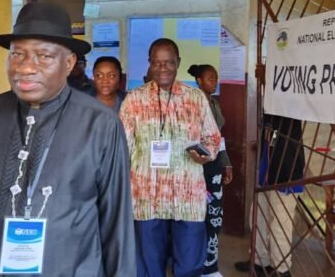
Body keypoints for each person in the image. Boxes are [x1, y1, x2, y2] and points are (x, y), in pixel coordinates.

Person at [0, 2, 135, 276]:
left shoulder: (100, 125)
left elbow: (116, 226)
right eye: (18, 54)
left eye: (43, 56)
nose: (25, 67)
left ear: (69, 63)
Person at [120, 38, 221, 277]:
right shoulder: (133, 100)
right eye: (157, 63)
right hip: (146, 198)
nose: (163, 68)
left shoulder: (196, 99)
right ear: (149, 64)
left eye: (168, 63)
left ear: (178, 63)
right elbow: (122, 148)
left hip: (187, 198)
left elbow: (213, 138)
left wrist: (205, 155)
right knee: (147, 267)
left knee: (189, 266)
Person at [235, 114, 305, 277]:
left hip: (286, 174)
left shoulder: (289, 107)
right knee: (258, 216)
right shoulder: (269, 110)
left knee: (280, 223)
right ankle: (260, 262)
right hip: (267, 173)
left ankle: (282, 269)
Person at [187, 64, 232, 277]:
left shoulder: (214, 103)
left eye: (216, 78)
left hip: (214, 166)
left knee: (214, 215)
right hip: (197, 166)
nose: (214, 82)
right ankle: (197, 265)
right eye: (210, 78)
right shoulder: (192, 103)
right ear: (199, 81)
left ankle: (210, 266)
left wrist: (226, 163)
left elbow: (218, 138)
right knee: (197, 217)